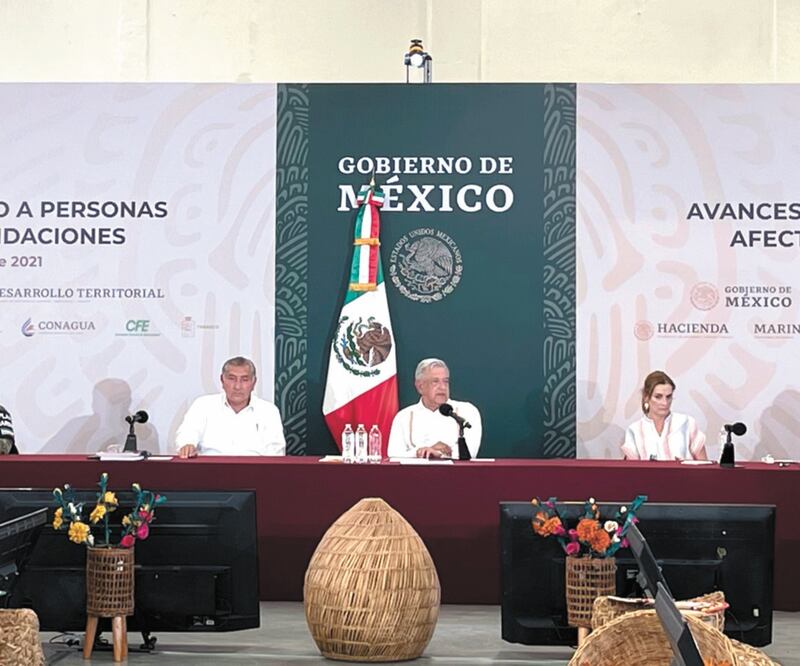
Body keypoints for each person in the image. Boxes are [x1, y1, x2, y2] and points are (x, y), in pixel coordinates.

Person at [175, 356, 286, 458]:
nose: (237, 386)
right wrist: (187, 445)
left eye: (244, 380)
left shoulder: (268, 411)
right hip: (210, 469)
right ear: (222, 380)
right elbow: (187, 433)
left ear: (253, 382)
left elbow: (275, 452)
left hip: (254, 470)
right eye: (232, 379)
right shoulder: (203, 405)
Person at [387, 358, 481, 459]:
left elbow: (470, 452)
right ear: (420, 387)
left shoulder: (467, 411)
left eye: (445, 381)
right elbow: (393, 455)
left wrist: (437, 453)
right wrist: (421, 451)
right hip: (416, 470)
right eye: (435, 382)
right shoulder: (403, 417)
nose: (443, 387)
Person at [621, 370, 707, 461]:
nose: (665, 403)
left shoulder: (687, 423)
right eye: (658, 397)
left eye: (668, 397)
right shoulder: (634, 431)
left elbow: (704, 465)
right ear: (646, 397)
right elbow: (631, 468)